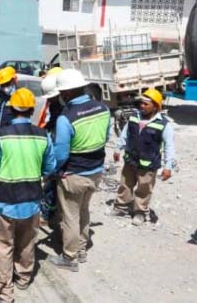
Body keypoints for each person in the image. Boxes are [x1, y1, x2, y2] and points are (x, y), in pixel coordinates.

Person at [0, 88, 57, 303]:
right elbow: (50, 166)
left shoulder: (1, 136)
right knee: (26, 241)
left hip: (5, 202)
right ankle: (23, 278)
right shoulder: (42, 136)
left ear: (12, 109)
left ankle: (4, 290)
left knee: (3, 245)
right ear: (32, 110)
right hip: (31, 200)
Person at [47, 69, 111, 272]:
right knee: (84, 210)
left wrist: (54, 171)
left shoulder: (66, 118)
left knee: (70, 216)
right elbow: (106, 138)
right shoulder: (103, 108)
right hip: (96, 171)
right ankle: (82, 249)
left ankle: (70, 257)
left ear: (66, 93)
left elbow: (61, 154)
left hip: (73, 174)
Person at [111, 88, 175, 226]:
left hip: (148, 164)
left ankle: (140, 212)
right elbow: (125, 134)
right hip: (130, 160)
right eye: (142, 103)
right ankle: (121, 207)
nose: (142, 106)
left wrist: (168, 167)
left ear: (156, 106)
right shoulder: (135, 116)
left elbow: (169, 146)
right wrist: (117, 149)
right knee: (125, 184)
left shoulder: (164, 124)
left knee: (144, 189)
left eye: (146, 104)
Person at [38, 68, 64, 223]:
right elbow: (50, 121)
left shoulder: (65, 108)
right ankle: (51, 211)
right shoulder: (55, 103)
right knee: (51, 185)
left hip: (60, 149)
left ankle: (50, 213)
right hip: (53, 143)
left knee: (52, 183)